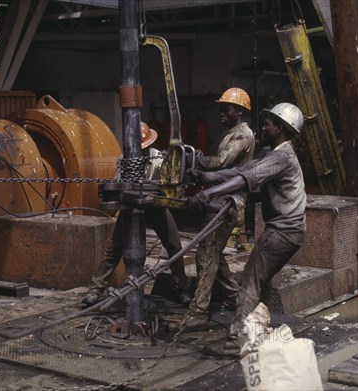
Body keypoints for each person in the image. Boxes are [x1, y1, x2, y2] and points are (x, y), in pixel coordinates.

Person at [187, 102, 306, 358]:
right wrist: (205, 176)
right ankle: (257, 334)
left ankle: (236, 341)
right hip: (289, 231)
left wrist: (208, 193)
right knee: (261, 284)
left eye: (268, 123)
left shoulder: (281, 156)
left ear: (281, 128)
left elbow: (244, 180)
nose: (264, 127)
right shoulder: (278, 154)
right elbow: (243, 169)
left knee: (250, 282)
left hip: (283, 231)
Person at [82, 122, 191, 307]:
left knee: (174, 247)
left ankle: (181, 289)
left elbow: (169, 184)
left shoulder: (159, 158)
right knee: (114, 250)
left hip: (156, 206)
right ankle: (95, 290)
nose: (142, 150)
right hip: (131, 207)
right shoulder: (124, 160)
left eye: (145, 147)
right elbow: (118, 184)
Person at [180, 87, 255, 331]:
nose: (221, 112)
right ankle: (236, 298)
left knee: (207, 254)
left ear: (240, 111)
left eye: (227, 108)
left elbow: (222, 163)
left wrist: (197, 161)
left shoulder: (243, 135)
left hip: (228, 204)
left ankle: (198, 312)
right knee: (213, 254)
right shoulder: (230, 133)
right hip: (219, 202)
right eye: (221, 108)